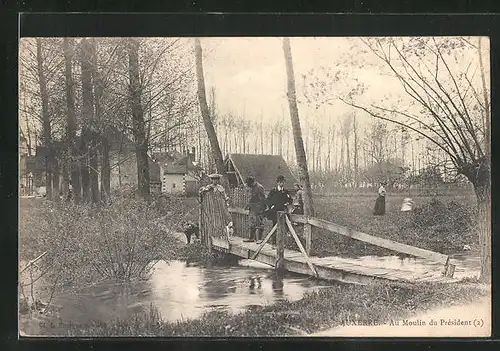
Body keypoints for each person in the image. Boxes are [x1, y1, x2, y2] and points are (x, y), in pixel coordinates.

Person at [265, 175, 293, 245]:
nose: (282, 184)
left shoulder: (286, 191)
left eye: (283, 182)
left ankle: (285, 243)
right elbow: (268, 200)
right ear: (277, 183)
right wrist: (271, 205)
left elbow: (290, 200)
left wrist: (288, 203)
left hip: (283, 210)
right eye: (280, 182)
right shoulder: (273, 191)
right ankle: (274, 243)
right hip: (275, 211)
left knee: (286, 225)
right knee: (275, 226)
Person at [243, 176, 266, 243]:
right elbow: (251, 197)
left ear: (251, 183)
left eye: (248, 184)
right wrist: (248, 205)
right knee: (252, 223)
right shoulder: (251, 187)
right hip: (252, 208)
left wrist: (262, 209)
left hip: (258, 208)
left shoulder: (259, 187)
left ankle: (259, 239)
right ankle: (251, 238)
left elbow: (263, 199)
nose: (247, 185)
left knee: (259, 223)